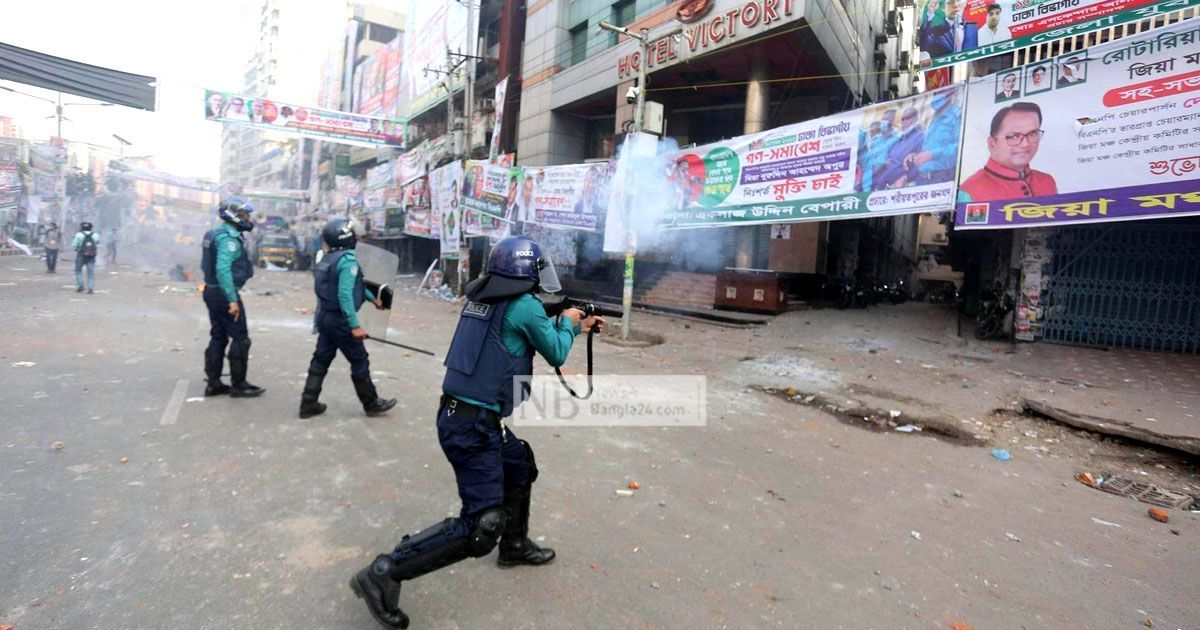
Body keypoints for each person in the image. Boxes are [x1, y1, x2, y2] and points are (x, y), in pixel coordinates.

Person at [349, 236, 604, 629]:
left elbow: (520, 331)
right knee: (482, 524)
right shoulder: (525, 306)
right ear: (527, 273)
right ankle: (385, 571)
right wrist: (570, 323)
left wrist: (571, 320)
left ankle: (515, 546)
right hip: (471, 427)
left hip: (466, 417)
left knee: (519, 466)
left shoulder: (484, 299)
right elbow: (554, 351)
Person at [299, 219, 396, 419]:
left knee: (321, 359)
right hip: (341, 321)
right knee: (359, 359)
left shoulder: (327, 258)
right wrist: (355, 326)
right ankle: (371, 403)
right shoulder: (348, 260)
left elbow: (354, 285)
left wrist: (373, 299)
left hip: (326, 316)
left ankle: (308, 403)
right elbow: (344, 294)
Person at [199, 199, 265, 398]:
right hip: (224, 293)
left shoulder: (213, 233)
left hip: (211, 291)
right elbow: (222, 269)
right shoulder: (228, 239)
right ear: (234, 215)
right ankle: (238, 384)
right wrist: (232, 300)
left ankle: (214, 383)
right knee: (240, 338)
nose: (248, 218)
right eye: (245, 214)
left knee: (218, 336)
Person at [959, 102, 1058, 202]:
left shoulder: (1047, 182)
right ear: (992, 143)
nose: (1025, 144)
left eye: (1032, 134)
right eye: (1014, 136)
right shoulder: (970, 192)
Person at [904, 91, 962, 184]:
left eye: (939, 93)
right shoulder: (935, 117)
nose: (935, 97)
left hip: (942, 178)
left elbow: (960, 148)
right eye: (934, 94)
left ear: (950, 95)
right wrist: (916, 155)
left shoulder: (956, 116)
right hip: (922, 177)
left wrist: (932, 155)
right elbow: (929, 147)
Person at [875, 107, 926, 189]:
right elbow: (889, 166)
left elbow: (923, 163)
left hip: (908, 187)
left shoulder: (921, 137)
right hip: (888, 188)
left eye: (907, 118)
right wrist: (879, 185)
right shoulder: (897, 142)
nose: (904, 122)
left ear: (915, 118)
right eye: (902, 119)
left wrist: (906, 178)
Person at [72, 221, 99, 294]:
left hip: (81, 254)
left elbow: (74, 245)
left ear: (82, 227)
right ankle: (90, 288)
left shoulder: (78, 234)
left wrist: (78, 248)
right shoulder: (96, 235)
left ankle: (81, 286)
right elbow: (97, 243)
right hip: (91, 255)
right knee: (90, 272)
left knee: (78, 270)